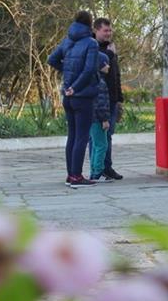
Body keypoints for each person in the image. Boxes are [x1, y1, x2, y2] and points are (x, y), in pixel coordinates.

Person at [47, 10, 101, 188]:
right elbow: (89, 70)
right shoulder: (91, 43)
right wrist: (76, 86)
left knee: (72, 136)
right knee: (82, 137)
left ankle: (71, 175)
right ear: (90, 24)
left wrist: (68, 71)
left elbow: (51, 59)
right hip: (82, 96)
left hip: (68, 97)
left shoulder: (67, 41)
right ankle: (77, 176)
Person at [92, 17, 124, 181]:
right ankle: (97, 169)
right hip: (97, 99)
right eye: (105, 30)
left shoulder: (111, 48)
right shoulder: (92, 46)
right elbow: (96, 66)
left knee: (108, 134)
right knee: (98, 136)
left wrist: (119, 97)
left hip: (111, 98)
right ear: (96, 30)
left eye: (110, 30)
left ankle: (106, 167)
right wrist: (110, 54)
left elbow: (115, 74)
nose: (108, 33)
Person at [89, 53, 114, 182]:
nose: (108, 66)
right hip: (98, 119)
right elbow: (101, 103)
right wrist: (105, 119)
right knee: (102, 145)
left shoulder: (92, 80)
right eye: (106, 63)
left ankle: (93, 170)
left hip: (91, 118)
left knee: (95, 145)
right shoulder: (101, 82)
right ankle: (97, 171)